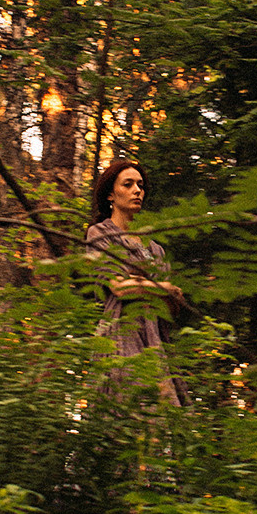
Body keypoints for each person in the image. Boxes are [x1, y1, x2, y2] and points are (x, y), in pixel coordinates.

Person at [85, 160, 184, 405]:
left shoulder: (155, 249)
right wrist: (164, 288)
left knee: (164, 413)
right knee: (127, 408)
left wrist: (149, 287)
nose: (137, 190)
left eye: (140, 185)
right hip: (121, 333)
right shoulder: (100, 234)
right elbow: (119, 287)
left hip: (157, 339)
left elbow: (171, 308)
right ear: (110, 194)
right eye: (127, 184)